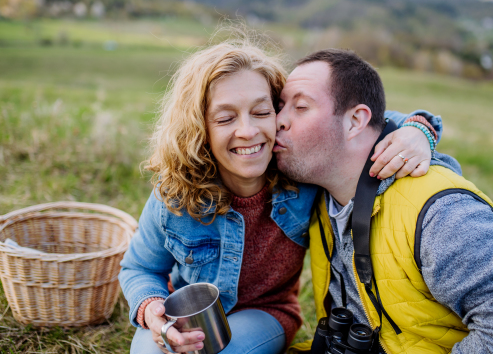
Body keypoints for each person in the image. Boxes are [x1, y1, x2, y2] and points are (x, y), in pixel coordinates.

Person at [119, 36, 455, 354]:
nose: (248, 131)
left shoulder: (300, 176)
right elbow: (138, 268)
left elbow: (358, 123)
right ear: (198, 128)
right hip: (186, 312)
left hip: (266, 313)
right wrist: (150, 306)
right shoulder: (178, 190)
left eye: (262, 112)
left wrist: (419, 129)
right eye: (225, 118)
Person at [277, 49, 493, 354]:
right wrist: (419, 126)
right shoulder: (316, 194)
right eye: (280, 107)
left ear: (355, 121)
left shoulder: (441, 215)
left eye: (300, 107)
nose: (278, 121)